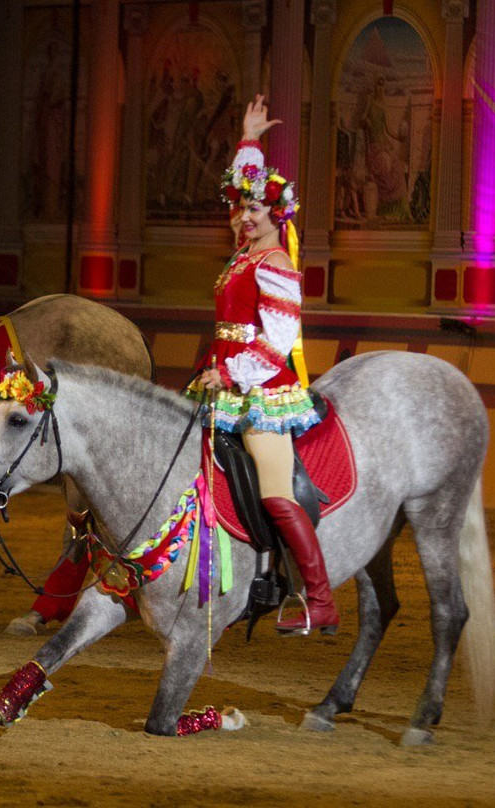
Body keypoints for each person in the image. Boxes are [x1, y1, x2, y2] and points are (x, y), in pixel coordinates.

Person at [189, 94, 337, 636]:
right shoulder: (244, 254)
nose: (244, 216)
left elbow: (277, 343)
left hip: (263, 390)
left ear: (279, 215)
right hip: (221, 379)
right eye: (240, 208)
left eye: (256, 210)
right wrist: (249, 139)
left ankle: (318, 599)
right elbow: (247, 185)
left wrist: (229, 374)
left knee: (274, 491)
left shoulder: (276, 263)